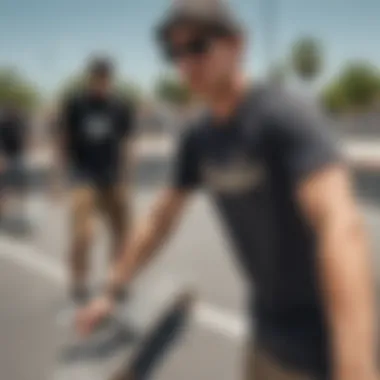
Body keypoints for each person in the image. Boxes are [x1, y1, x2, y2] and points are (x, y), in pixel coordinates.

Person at [76, 1, 379, 379]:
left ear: (237, 45)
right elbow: (159, 218)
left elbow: (341, 225)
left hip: (324, 349)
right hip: (266, 335)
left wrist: (356, 366)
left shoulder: (283, 116)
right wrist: (113, 288)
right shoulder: (198, 138)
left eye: (198, 47)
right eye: (175, 52)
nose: (185, 64)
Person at [55, 56, 135, 303]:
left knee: (122, 233)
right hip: (83, 176)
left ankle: (117, 279)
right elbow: (63, 141)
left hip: (112, 177)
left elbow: (127, 143)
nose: (101, 82)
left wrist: (127, 177)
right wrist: (56, 178)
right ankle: (79, 282)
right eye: (97, 77)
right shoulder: (76, 104)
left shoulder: (120, 105)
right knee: (84, 235)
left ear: (110, 79)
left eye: (105, 77)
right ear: (90, 78)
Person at [0, 104, 29, 231]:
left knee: (16, 184)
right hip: (7, 156)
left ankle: (12, 212)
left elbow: (23, 137)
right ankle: (4, 212)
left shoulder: (18, 122)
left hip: (17, 156)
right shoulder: (4, 124)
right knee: (4, 185)